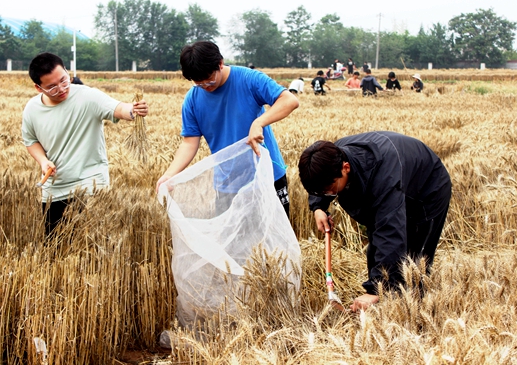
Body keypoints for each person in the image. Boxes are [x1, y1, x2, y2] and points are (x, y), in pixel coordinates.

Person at [298, 131, 452, 312]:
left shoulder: (383, 176)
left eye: (331, 190)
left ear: (345, 168)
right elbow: (320, 183)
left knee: (414, 260)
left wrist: (375, 289)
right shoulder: (329, 159)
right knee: (378, 251)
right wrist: (318, 207)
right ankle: (384, 304)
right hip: (395, 180)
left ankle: (413, 312)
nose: (329, 195)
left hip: (427, 191)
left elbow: (390, 232)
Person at [155, 41, 299, 216]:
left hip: (267, 177)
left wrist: (259, 122)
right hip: (227, 184)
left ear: (220, 64)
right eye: (199, 84)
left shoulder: (249, 79)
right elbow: (189, 143)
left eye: (209, 80)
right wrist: (170, 174)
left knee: (275, 241)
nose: (206, 87)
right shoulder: (192, 100)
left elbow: (289, 100)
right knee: (234, 242)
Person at [22, 52, 148, 239]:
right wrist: (43, 161)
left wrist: (133, 110)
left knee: (95, 248)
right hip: (54, 190)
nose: (62, 88)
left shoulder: (88, 96)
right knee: (56, 250)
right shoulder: (32, 109)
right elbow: (31, 141)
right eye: (52, 87)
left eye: (64, 81)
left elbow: (118, 109)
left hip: (92, 185)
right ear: (38, 88)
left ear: (67, 72)